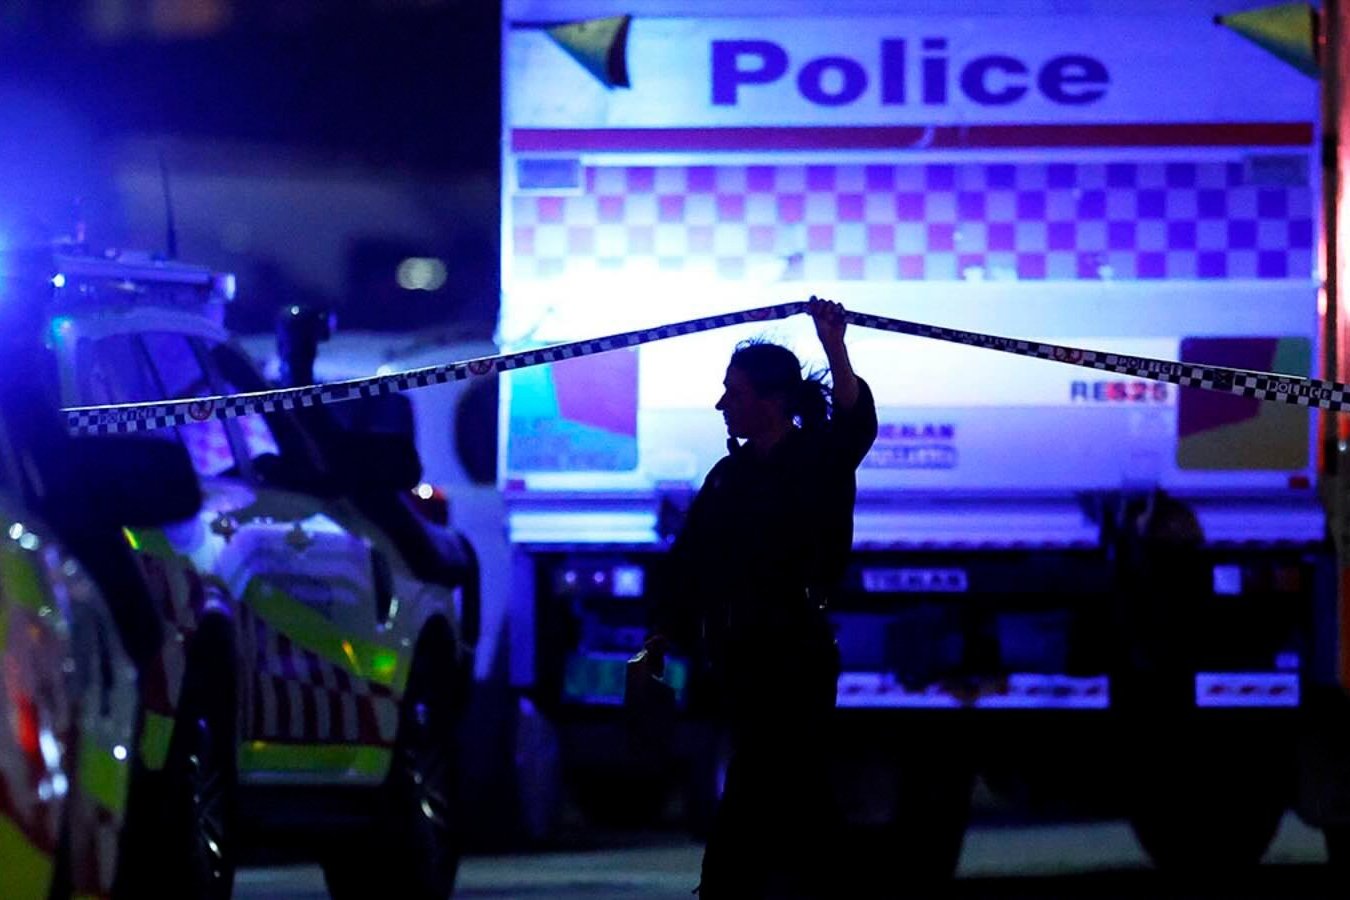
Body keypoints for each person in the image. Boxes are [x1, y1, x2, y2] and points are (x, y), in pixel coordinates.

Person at [645, 296, 878, 898]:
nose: (723, 404)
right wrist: (663, 631)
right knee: (787, 782)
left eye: (736, 392)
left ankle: (726, 886)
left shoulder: (819, 460)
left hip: (796, 650)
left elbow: (854, 422)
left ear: (772, 400)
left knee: (770, 778)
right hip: (741, 654)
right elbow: (689, 560)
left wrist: (835, 345)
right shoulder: (729, 477)